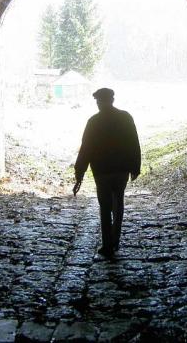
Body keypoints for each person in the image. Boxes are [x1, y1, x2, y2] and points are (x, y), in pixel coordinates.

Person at [72, 88, 141, 258]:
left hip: (102, 171)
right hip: (121, 169)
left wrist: (79, 172)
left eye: (98, 101)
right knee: (118, 204)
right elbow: (134, 143)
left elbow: (86, 148)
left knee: (105, 206)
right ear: (112, 100)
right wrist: (135, 166)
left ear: (99, 102)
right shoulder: (125, 117)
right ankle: (114, 240)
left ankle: (107, 244)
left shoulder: (93, 122)